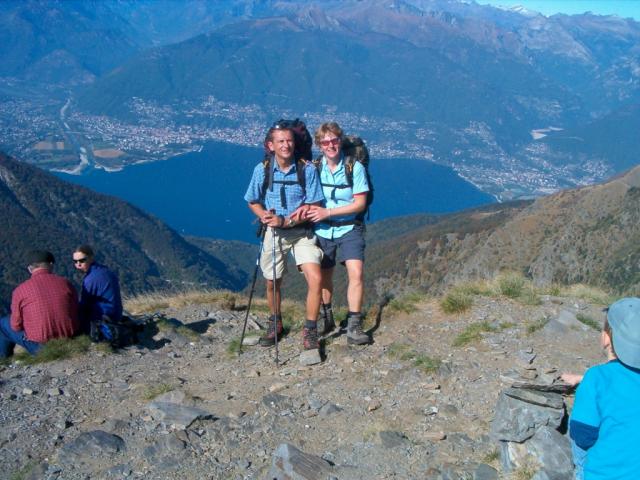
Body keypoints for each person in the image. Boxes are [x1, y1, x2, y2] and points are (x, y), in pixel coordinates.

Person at [244, 123, 324, 350]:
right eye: (280, 141)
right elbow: (252, 200)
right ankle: (275, 321)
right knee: (271, 281)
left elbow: (315, 203)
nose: (286, 145)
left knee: (315, 279)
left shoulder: (306, 169)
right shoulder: (263, 169)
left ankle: (310, 329)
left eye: (289, 140)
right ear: (271, 145)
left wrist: (287, 221)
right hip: (274, 232)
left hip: (302, 232)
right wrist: (264, 216)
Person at [307, 122, 370, 345]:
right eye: (325, 142)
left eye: (334, 141)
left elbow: (360, 203)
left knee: (356, 272)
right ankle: (327, 317)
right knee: (324, 277)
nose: (330, 145)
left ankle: (354, 325)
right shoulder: (315, 168)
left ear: (340, 141)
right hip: (323, 230)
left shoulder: (355, 168)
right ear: (319, 145)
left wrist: (328, 212)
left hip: (349, 227)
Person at [569, 297, 640, 480]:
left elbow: (582, 436)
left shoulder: (597, 377)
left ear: (606, 338)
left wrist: (585, 384)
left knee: (577, 424)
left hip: (603, 474)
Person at [0, 250, 79, 358]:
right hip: (68, 340)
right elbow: (76, 311)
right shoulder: (66, 284)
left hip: (40, 347)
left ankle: (3, 360)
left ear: (29, 268)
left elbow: (16, 326)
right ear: (51, 265)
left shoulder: (20, 291)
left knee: (3, 324)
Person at [72, 245, 123, 334]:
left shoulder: (91, 279)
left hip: (105, 318)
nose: (78, 264)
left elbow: (85, 305)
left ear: (91, 258)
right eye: (75, 261)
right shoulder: (105, 270)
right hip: (116, 313)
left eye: (82, 260)